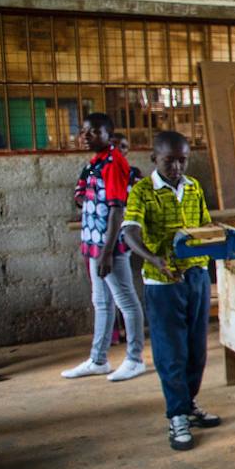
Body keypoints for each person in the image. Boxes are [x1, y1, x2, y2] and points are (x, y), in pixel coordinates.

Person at [121, 130, 222, 451]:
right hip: (162, 282)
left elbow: (205, 227)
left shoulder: (192, 188)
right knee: (170, 352)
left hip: (195, 277)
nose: (177, 167)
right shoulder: (142, 191)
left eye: (182, 160)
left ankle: (189, 403)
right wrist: (154, 258)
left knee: (197, 349)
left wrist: (222, 244)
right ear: (154, 159)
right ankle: (176, 414)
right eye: (169, 161)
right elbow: (129, 231)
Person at [62, 113, 147, 383]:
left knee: (126, 302)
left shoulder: (113, 164)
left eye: (94, 132)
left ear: (108, 136)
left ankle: (135, 359)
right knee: (101, 302)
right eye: (84, 131)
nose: (86, 136)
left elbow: (117, 211)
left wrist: (107, 252)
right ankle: (98, 359)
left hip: (109, 248)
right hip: (94, 245)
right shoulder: (95, 163)